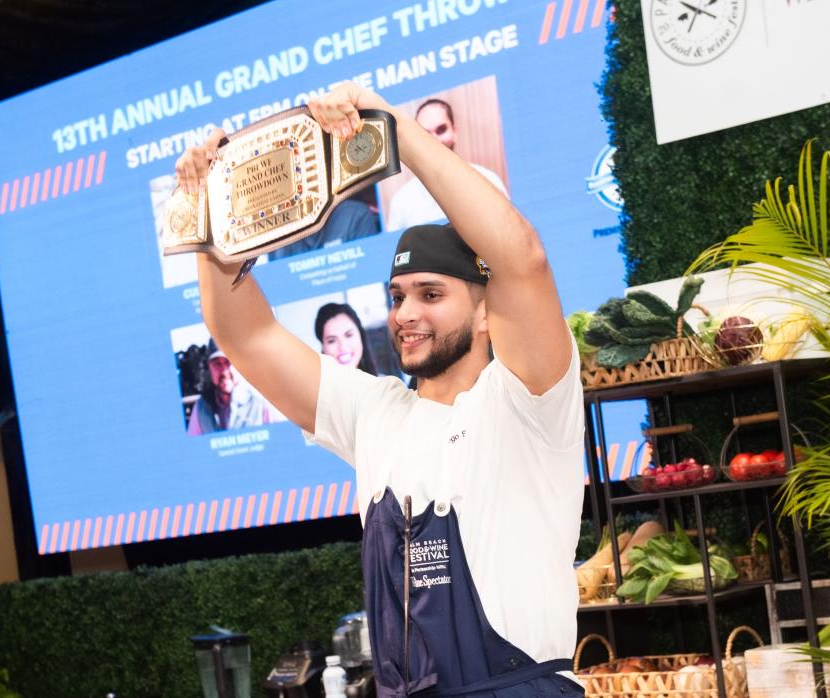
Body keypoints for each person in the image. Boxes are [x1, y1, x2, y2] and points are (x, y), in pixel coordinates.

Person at [174, 82, 585, 697]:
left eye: (432, 294)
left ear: (484, 313)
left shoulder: (527, 399)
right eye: (397, 297)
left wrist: (390, 125)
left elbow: (521, 257)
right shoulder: (374, 412)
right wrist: (211, 215)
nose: (405, 313)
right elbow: (247, 334)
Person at [385, 97, 510, 231]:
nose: (434, 140)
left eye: (441, 130)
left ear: (454, 132)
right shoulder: (401, 202)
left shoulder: (489, 181)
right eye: (425, 133)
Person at [186, 339, 272, 434]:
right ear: (209, 368)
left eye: (228, 362)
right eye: (217, 364)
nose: (224, 371)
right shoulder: (201, 408)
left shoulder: (260, 402)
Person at [314, 302, 378, 376]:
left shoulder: (384, 384)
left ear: (360, 335)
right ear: (323, 347)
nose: (343, 347)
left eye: (349, 335)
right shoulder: (316, 387)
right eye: (331, 341)